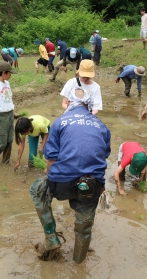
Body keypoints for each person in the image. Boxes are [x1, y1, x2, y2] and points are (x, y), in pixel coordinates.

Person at [30, 87, 111, 264]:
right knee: (84, 224)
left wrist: (48, 171)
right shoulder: (101, 126)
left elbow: (50, 159)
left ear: (69, 104)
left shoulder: (60, 121)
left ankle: (51, 237)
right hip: (92, 184)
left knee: (37, 188)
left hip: (62, 184)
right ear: (88, 106)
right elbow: (103, 155)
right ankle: (79, 261)